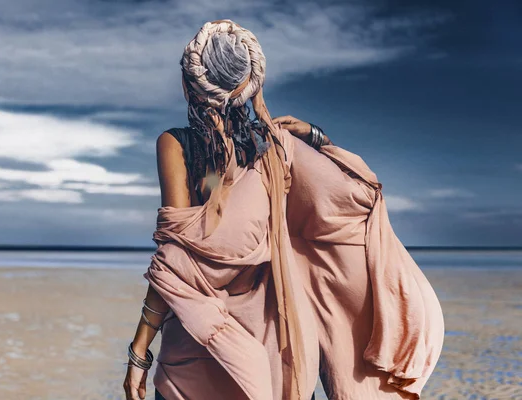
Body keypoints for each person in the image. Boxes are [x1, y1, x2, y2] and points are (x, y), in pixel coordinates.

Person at [123, 19, 444, 400]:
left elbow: (180, 257)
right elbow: (353, 198)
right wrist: (316, 137)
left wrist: (139, 350)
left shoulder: (177, 146)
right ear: (249, 86)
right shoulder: (276, 150)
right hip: (281, 352)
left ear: (188, 85)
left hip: (198, 350)